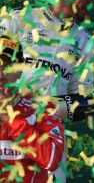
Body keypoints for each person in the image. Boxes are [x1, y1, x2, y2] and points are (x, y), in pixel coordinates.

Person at [0, 0, 94, 181]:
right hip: (8, 131)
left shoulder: (85, 40)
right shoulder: (17, 20)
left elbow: (80, 99)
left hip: (47, 142)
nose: (92, 0)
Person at [0, 36, 64, 182]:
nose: (0, 75)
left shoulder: (41, 106)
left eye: (8, 67)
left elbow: (52, 159)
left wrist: (10, 118)